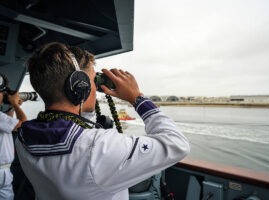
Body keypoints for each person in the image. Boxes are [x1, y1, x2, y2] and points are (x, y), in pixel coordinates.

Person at [15, 42, 190, 200]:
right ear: (79, 87)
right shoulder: (98, 148)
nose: (96, 89)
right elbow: (177, 144)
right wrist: (137, 98)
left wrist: (81, 97)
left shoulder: (24, 136)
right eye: (92, 80)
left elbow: (71, 124)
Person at [0, 73, 27, 200]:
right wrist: (15, 104)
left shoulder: (2, 119)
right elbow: (23, 124)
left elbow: (9, 125)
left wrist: (11, 106)